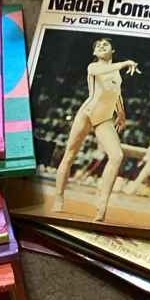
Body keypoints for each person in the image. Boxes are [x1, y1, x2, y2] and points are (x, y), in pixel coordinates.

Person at [54, 39, 140, 222]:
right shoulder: (93, 67)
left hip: (104, 118)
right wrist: (125, 63)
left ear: (113, 50)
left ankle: (102, 205)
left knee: (117, 156)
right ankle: (59, 197)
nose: (101, 46)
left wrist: (121, 113)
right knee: (69, 155)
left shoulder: (116, 73)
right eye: (97, 46)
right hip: (87, 113)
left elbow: (116, 94)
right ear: (94, 53)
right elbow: (103, 71)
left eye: (105, 45)